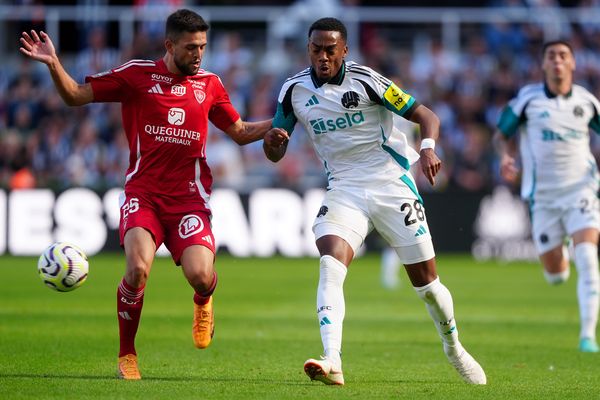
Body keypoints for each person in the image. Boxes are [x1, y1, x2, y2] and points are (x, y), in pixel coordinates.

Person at [20, 9, 273, 379]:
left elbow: (239, 130)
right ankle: (127, 354)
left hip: (189, 199)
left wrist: (285, 119)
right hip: (144, 195)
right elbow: (76, 95)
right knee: (137, 270)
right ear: (169, 45)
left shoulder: (210, 84)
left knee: (202, 276)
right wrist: (53, 63)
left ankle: (203, 301)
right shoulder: (136, 75)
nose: (198, 54)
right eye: (191, 47)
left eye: (203, 46)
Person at [263, 17, 486, 386]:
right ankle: (332, 358)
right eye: (316, 49)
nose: (323, 56)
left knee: (428, 286)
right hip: (345, 189)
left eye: (330, 50)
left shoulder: (367, 80)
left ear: (344, 50)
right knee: (330, 263)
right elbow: (277, 147)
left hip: (391, 184)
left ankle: (454, 347)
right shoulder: (293, 90)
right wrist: (273, 145)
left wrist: (428, 149)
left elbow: (424, 115)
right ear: (308, 49)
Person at [495, 39, 600, 353]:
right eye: (551, 56)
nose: (557, 60)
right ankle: (560, 252)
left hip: (581, 191)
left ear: (573, 63)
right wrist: (505, 157)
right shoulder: (528, 101)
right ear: (543, 64)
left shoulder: (586, 102)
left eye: (563, 55)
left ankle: (587, 336)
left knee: (589, 260)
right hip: (542, 198)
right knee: (556, 276)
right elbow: (502, 135)